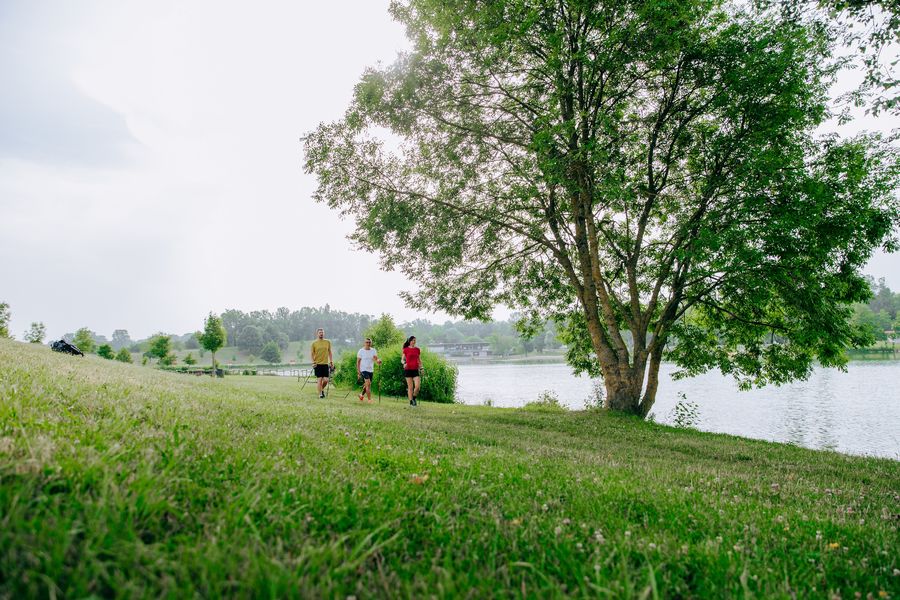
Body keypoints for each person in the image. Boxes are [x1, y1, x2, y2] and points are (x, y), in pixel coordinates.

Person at [356, 338, 382, 403]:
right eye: (367, 342)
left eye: (369, 342)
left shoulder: (373, 350)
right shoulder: (361, 351)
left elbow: (376, 358)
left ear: (371, 343)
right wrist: (358, 372)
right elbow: (358, 362)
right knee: (368, 384)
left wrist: (378, 361)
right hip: (363, 369)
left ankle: (361, 395)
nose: (368, 344)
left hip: (371, 370)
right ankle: (369, 400)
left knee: (368, 384)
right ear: (364, 343)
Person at [310, 328, 333, 398]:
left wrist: (331, 361)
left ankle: (322, 389)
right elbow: (312, 353)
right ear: (317, 334)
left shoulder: (327, 342)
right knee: (319, 380)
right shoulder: (314, 343)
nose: (321, 334)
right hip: (317, 364)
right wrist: (313, 362)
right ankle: (320, 394)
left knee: (326, 380)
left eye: (322, 332)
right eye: (320, 332)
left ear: (324, 333)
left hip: (325, 364)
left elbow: (330, 352)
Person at [401, 335, 421, 406]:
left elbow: (419, 360)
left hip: (415, 370)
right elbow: (402, 359)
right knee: (410, 387)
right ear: (409, 341)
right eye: (412, 340)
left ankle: (414, 398)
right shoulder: (406, 349)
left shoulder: (417, 349)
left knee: (417, 387)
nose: (414, 342)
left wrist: (421, 368)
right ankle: (411, 402)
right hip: (408, 370)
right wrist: (404, 363)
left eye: (415, 340)